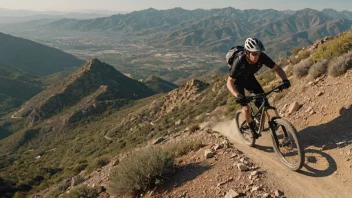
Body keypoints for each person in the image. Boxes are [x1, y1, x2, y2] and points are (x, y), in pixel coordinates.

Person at [226, 37, 291, 138]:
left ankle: (259, 118)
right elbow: (229, 82)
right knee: (246, 107)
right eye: (254, 53)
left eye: (259, 53)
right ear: (247, 52)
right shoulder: (239, 61)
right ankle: (250, 126)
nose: (257, 56)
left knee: (263, 100)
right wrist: (238, 95)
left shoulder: (262, 57)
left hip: (249, 78)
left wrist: (285, 80)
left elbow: (277, 68)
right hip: (237, 81)